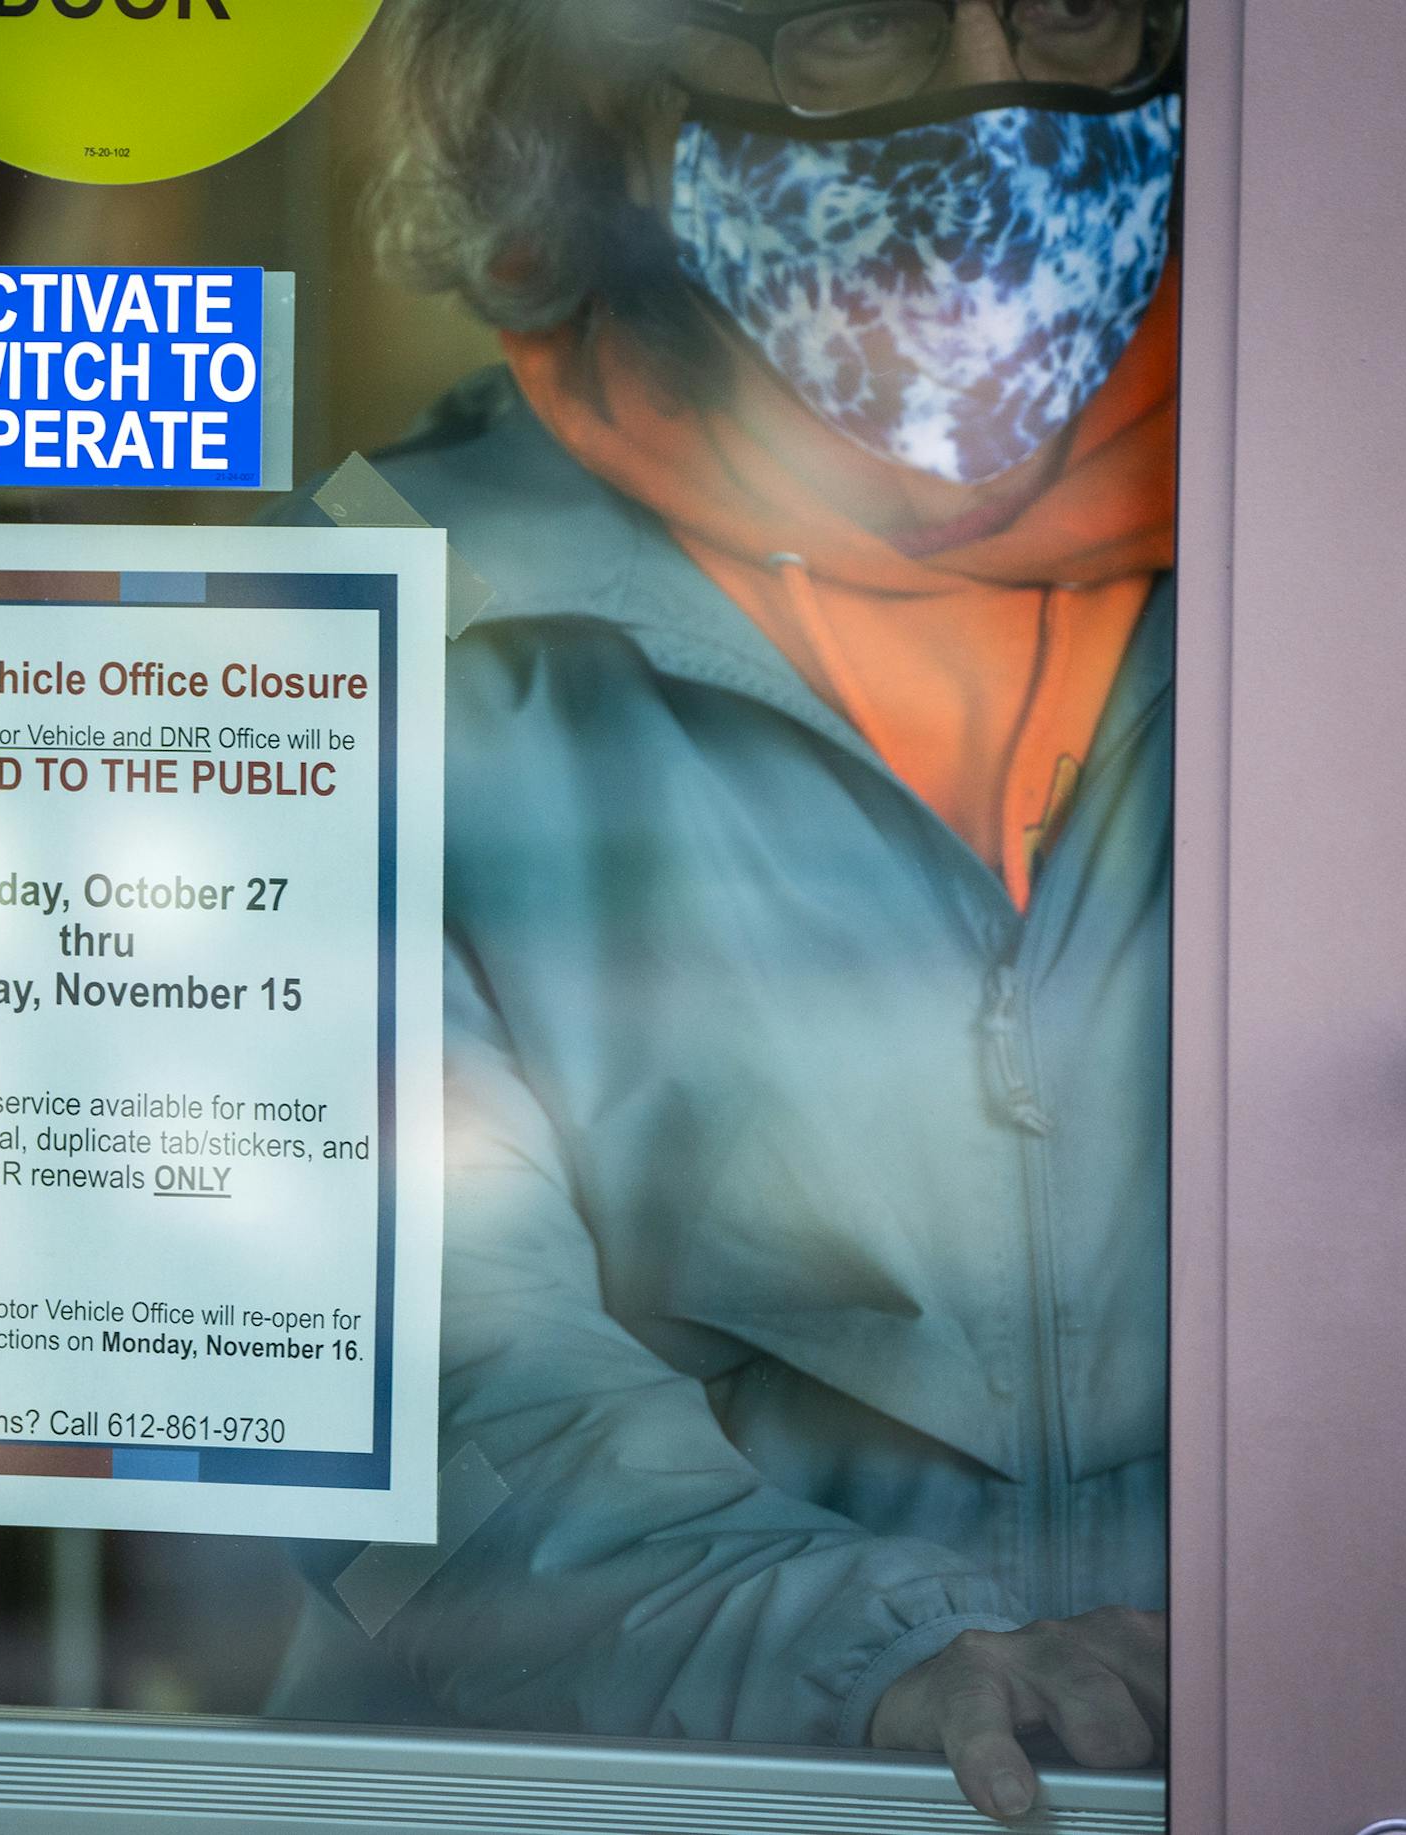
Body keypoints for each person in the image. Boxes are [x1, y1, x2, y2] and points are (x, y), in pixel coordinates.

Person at [270, 0, 1182, 1819]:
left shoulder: (1353, 561)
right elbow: (422, 1366)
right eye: (857, 27)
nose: (1003, 120)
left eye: (1076, 13)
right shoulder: (377, 632)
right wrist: (871, 1654)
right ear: (602, 109)